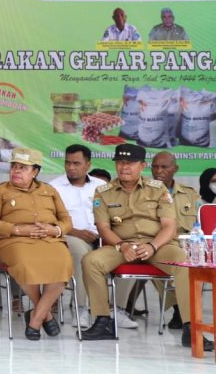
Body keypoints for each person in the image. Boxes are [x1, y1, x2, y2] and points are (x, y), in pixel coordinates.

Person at [80, 144, 213, 351]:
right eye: (120, 162)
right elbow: (103, 228)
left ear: (142, 166)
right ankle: (102, 320)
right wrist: (122, 245)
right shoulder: (103, 192)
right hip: (122, 246)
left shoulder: (158, 189)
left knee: (184, 262)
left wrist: (152, 246)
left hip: (157, 245)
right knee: (91, 261)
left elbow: (169, 226)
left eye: (130, 163)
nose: (124, 167)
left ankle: (191, 329)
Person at [0, 148, 73, 340]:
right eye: (14, 166)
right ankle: (45, 316)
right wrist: (17, 229)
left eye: (22, 168)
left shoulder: (50, 191)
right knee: (24, 263)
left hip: (49, 239)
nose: (16, 171)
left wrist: (55, 230)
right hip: (13, 240)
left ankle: (35, 317)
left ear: (35, 172)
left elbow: (66, 220)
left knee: (63, 264)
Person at [47, 144, 110, 326]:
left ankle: (119, 310)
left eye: (76, 163)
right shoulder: (53, 187)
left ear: (88, 165)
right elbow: (49, 220)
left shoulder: (102, 186)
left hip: (102, 237)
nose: (71, 167)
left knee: (129, 249)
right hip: (69, 236)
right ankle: (81, 308)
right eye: (68, 163)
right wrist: (76, 232)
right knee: (83, 255)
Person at [151, 151, 201, 329]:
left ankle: (184, 311)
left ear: (175, 169)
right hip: (159, 243)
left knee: (196, 264)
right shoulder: (143, 192)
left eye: (164, 167)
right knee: (153, 264)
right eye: (155, 166)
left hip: (186, 243)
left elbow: (199, 224)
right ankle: (179, 307)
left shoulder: (190, 194)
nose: (159, 171)